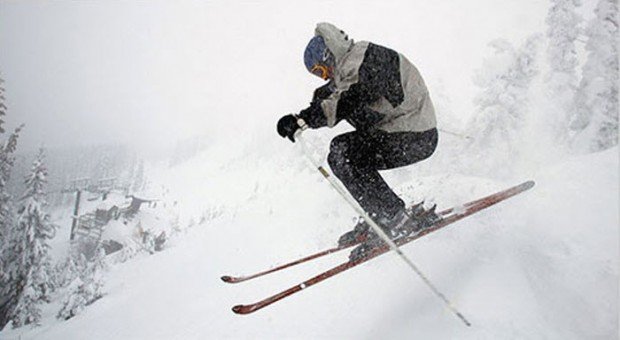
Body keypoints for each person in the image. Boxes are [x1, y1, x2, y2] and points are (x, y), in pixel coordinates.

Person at [277, 23, 438, 260]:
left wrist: (303, 120)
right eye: (318, 74)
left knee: (344, 152)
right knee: (344, 154)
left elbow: (347, 99)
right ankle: (380, 213)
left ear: (329, 54)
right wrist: (304, 114)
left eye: (321, 69)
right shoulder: (349, 69)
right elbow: (330, 96)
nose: (325, 75)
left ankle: (394, 217)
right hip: (403, 133)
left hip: (416, 135)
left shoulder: (364, 58)